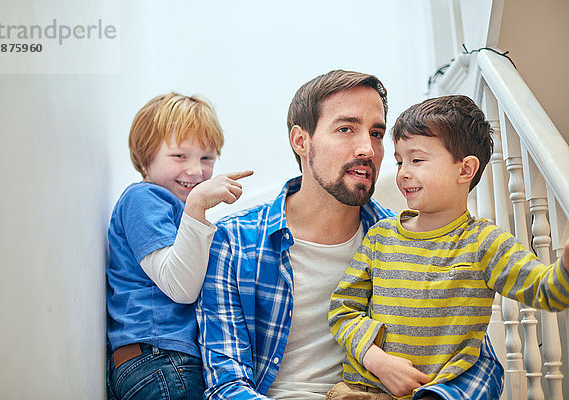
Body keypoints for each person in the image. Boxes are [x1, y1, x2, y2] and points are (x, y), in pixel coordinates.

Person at [196, 71, 504, 399]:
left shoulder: (413, 239)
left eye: (376, 133)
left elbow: (478, 362)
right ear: (301, 140)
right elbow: (227, 386)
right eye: (346, 129)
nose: (368, 149)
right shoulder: (235, 241)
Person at [329, 95, 569, 399]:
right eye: (400, 161)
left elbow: (549, 292)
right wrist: (377, 361)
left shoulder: (485, 243)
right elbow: (342, 309)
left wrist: (565, 266)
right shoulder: (380, 237)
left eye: (416, 160)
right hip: (365, 388)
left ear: (465, 170)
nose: (403, 172)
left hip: (438, 392)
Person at [106, 92, 252, 400]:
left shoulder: (168, 205)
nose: (196, 172)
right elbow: (181, 287)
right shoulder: (144, 198)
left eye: (206, 158)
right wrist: (197, 204)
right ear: (145, 156)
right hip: (162, 359)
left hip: (158, 361)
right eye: (179, 156)